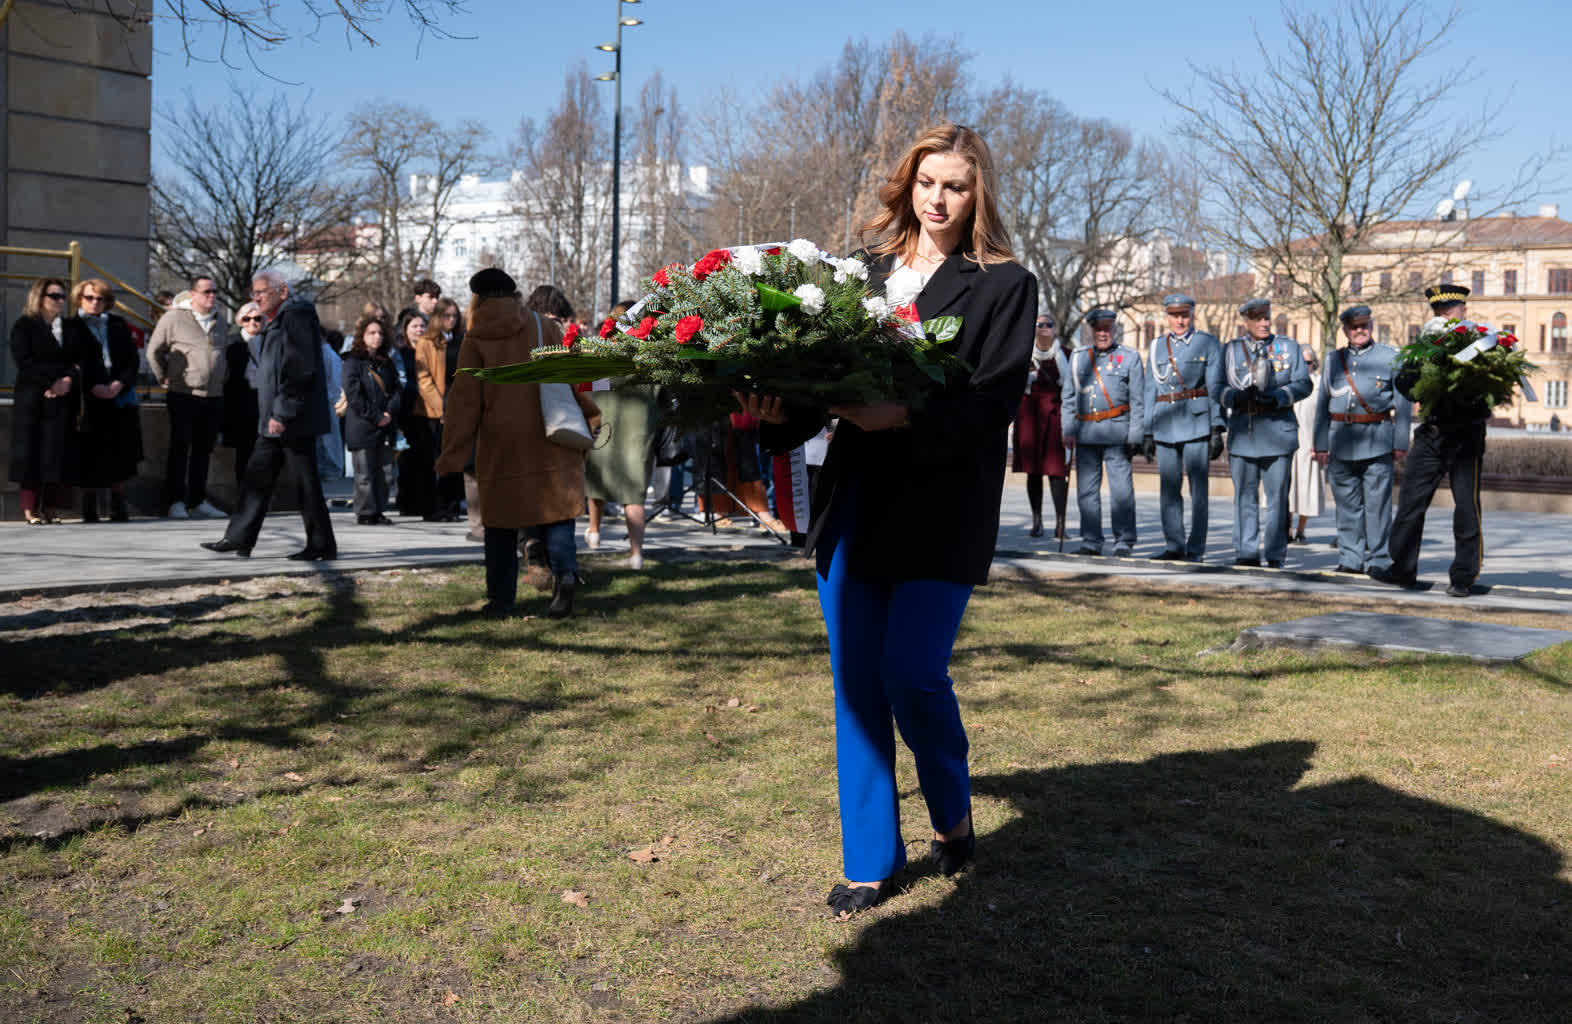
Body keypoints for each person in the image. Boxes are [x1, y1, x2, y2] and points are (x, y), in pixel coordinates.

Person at [742, 122, 1037, 918]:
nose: (938, 200)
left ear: (978, 195)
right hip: (856, 503)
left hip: (944, 506)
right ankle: (869, 861)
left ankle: (952, 812)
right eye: (927, 183)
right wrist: (775, 411)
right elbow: (820, 390)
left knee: (911, 672)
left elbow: (991, 407)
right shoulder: (860, 274)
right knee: (856, 685)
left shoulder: (1005, 285)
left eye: (956, 186)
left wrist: (899, 414)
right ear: (907, 185)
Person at [437, 268, 601, 618]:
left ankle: (501, 600)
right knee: (557, 514)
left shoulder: (475, 339)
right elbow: (571, 377)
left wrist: (451, 453)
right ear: (515, 294)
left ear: (478, 299)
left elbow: (465, 402)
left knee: (499, 524)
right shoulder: (545, 327)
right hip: (550, 435)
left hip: (501, 444)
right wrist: (591, 417)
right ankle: (565, 576)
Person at [200, 270, 336, 560]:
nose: (256, 298)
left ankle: (321, 544)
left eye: (262, 292)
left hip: (291, 419)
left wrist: (282, 412)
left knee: (305, 482)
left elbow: (299, 369)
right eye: (254, 292)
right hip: (275, 419)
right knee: (256, 477)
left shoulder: (296, 317)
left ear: (282, 292)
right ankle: (238, 537)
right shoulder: (280, 319)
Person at [1371, 284, 1487, 597]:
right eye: (1439, 311)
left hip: (1465, 435)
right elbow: (1404, 381)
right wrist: (1425, 386)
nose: (1445, 316)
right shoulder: (1424, 344)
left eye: (1449, 310)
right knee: (1410, 503)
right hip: (1432, 432)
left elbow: (1490, 387)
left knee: (1466, 507)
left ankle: (1463, 577)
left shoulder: (1479, 342)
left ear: (1462, 310)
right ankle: (1402, 568)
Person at [1312, 305, 1411, 575]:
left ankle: (1379, 559)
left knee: (1377, 507)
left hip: (1377, 440)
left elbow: (1403, 404)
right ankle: (1351, 558)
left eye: (1364, 325)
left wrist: (1400, 442)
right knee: (1346, 505)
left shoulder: (1391, 357)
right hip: (1341, 441)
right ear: (1345, 330)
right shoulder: (1333, 360)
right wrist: (1320, 444)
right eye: (1354, 327)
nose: (1360, 331)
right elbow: (1322, 405)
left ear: (1371, 326)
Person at [1220, 298, 1311, 567]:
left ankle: (1275, 553)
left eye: (1267, 318)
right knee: (1244, 497)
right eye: (1258, 319)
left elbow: (1303, 384)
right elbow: (1215, 386)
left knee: (1278, 499)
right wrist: (1234, 398)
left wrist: (1278, 397)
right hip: (1244, 433)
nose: (1264, 323)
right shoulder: (1231, 351)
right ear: (1246, 321)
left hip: (1278, 432)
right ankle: (1246, 552)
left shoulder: (1288, 347)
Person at [1142, 294, 1224, 561]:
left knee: (1198, 492)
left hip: (1196, 423)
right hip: (1165, 423)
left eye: (1184, 315)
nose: (1180, 320)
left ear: (1192, 315)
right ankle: (1174, 545)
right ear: (1166, 316)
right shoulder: (1157, 346)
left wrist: (1216, 427)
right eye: (1175, 315)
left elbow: (1214, 387)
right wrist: (1147, 430)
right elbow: (1150, 390)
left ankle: (1196, 548)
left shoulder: (1207, 343)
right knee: (1169, 490)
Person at [1060, 308, 1144, 556]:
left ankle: (1124, 540)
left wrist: (1135, 435)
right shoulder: (1078, 358)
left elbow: (1138, 400)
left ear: (1114, 329)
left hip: (1117, 433)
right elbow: (1068, 398)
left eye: (1107, 328)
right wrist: (1067, 430)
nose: (1103, 333)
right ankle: (1091, 540)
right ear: (1091, 330)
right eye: (1098, 329)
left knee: (1121, 491)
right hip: (1086, 432)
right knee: (1086, 491)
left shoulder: (1129, 357)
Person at [146, 275, 228, 518]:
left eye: (214, 292)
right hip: (184, 393)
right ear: (192, 294)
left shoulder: (220, 320)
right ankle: (176, 501)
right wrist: (165, 376)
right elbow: (153, 351)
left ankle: (198, 500)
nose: (212, 296)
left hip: (213, 395)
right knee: (180, 448)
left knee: (204, 450)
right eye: (206, 292)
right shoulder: (173, 318)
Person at [65, 279, 142, 522]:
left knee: (121, 451)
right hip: (88, 396)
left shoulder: (117, 324)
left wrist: (119, 384)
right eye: (89, 298)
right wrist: (90, 386)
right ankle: (89, 506)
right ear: (79, 299)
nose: (95, 303)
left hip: (117, 394)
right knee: (89, 450)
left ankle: (118, 505)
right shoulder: (70, 326)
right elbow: (69, 361)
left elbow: (132, 360)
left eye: (100, 299)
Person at [7, 278, 79, 524]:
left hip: (62, 399)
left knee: (56, 453)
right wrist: (51, 382)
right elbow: (24, 360)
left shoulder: (68, 328)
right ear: (39, 297)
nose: (59, 301)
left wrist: (67, 380)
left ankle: (51, 506)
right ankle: (30, 508)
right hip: (33, 397)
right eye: (54, 296)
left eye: (62, 296)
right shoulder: (25, 325)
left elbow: (76, 360)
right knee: (32, 452)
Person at [1013, 313, 1069, 540]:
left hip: (1056, 419)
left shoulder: (1065, 354)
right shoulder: (1023, 353)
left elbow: (1072, 388)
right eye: (1039, 324)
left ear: (1054, 328)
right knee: (1033, 471)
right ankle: (1037, 521)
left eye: (1048, 324)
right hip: (1030, 418)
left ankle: (1060, 524)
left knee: (1057, 473)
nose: (1044, 328)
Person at [341, 313, 401, 525]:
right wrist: (376, 416)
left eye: (380, 333)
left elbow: (396, 390)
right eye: (372, 333)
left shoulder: (386, 362)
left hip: (384, 425)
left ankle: (379, 510)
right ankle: (366, 512)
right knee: (364, 473)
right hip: (362, 425)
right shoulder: (352, 361)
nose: (377, 337)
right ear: (362, 335)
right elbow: (354, 395)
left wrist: (389, 413)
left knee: (384, 473)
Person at [221, 301, 264, 493]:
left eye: (257, 318)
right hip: (240, 406)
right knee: (244, 453)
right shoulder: (233, 343)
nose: (252, 322)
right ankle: (244, 495)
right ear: (240, 321)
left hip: (263, 403)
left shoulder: (270, 342)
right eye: (247, 319)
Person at [1288, 343, 1327, 544]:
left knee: (1307, 490)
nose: (1305, 366)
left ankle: (1301, 530)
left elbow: (1325, 416)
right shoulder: (1286, 383)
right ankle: (1286, 529)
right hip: (1288, 444)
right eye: (1301, 362)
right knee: (1287, 489)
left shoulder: (1320, 385)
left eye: (1309, 362)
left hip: (1310, 445)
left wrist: (1321, 443)